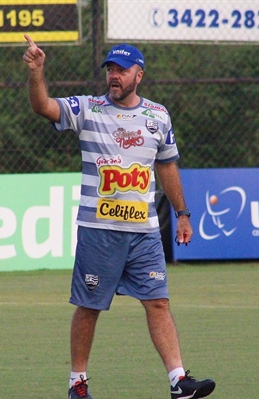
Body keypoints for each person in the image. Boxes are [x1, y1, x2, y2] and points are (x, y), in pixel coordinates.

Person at [23, 34, 216, 399]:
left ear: (138, 75)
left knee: (158, 301)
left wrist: (183, 214)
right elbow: (42, 106)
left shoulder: (157, 116)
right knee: (90, 306)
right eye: (110, 69)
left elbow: (167, 166)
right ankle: (77, 383)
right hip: (100, 231)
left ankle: (178, 380)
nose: (114, 75)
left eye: (122, 70)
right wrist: (36, 72)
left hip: (143, 232)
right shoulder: (88, 109)